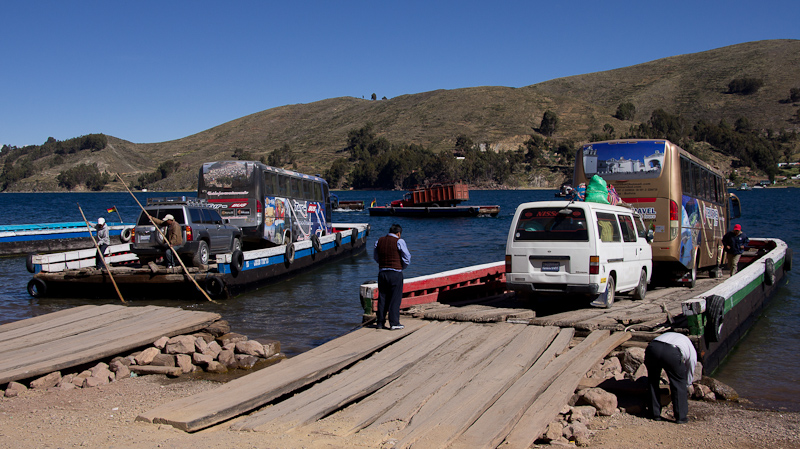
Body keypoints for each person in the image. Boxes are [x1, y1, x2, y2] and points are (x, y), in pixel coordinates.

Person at [644, 332, 698, 424]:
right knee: (678, 383)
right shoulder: (690, 346)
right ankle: (680, 416)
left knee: (653, 381)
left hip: (653, 348)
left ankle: (654, 413)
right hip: (672, 352)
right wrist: (688, 383)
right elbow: (691, 363)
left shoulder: (674, 336)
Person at [373, 224, 411, 330]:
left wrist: (383, 264)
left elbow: (376, 257)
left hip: (382, 273)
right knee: (395, 298)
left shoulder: (379, 241)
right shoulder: (399, 241)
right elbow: (407, 257)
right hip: (395, 273)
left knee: (383, 297)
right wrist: (401, 267)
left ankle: (380, 322)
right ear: (398, 233)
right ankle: (394, 323)